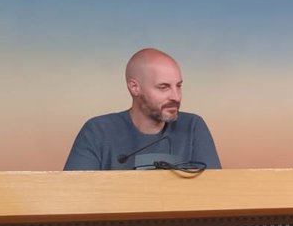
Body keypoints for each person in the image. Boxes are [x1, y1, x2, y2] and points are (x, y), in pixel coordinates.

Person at [64, 48, 222, 170]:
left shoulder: (193, 127)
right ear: (134, 88)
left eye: (178, 86)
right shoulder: (98, 131)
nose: (176, 97)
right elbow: (73, 194)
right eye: (163, 87)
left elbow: (215, 192)